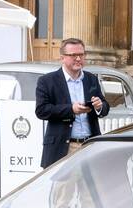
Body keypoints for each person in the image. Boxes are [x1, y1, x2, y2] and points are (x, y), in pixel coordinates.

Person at [35, 37, 109, 169]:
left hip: (90, 145)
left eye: (81, 54)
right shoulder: (47, 81)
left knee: (90, 189)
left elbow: (105, 106)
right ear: (62, 58)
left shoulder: (91, 79)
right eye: (73, 55)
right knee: (62, 189)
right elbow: (42, 110)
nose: (78, 59)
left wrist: (99, 106)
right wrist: (71, 109)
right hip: (63, 148)